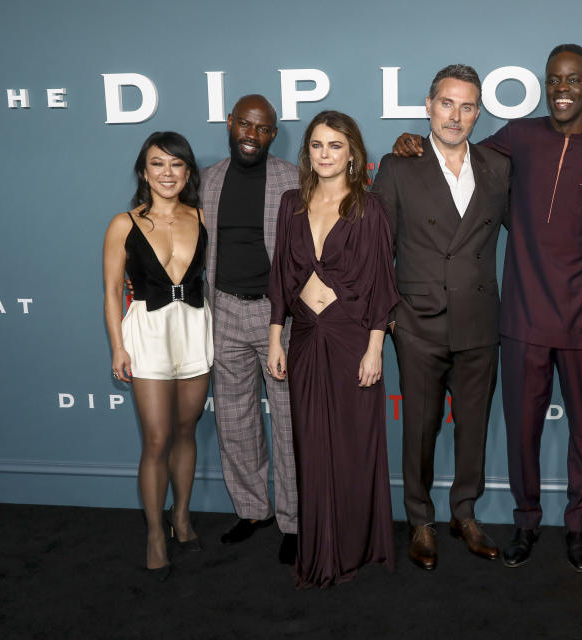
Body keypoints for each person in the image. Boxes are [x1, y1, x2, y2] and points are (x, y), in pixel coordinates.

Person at [392, 44, 582, 570]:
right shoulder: (516, 139)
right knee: (521, 429)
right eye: (554, 80)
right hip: (522, 316)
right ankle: (526, 522)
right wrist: (408, 142)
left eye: (574, 80)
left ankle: (577, 526)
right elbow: (451, 149)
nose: (563, 89)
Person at [373, 64, 510, 571]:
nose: (456, 115)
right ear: (429, 106)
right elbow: (376, 249)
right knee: (420, 429)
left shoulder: (498, 167)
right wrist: (389, 316)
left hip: (479, 320)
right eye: (447, 103)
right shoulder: (397, 166)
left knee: (472, 428)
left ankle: (465, 514)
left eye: (467, 105)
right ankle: (420, 520)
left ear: (479, 112)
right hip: (418, 321)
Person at [267, 110, 399, 588]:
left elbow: (383, 284)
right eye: (317, 146)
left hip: (351, 339)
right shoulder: (290, 204)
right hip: (303, 338)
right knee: (310, 444)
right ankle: (318, 544)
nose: (325, 154)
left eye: (335, 146)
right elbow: (280, 277)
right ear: (308, 153)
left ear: (352, 154)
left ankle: (356, 546)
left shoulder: (370, 207)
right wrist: (275, 339)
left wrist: (375, 348)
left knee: (353, 445)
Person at [103, 131, 212, 581]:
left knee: (187, 430)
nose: (167, 173)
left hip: (194, 330)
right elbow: (111, 291)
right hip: (146, 332)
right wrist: (118, 346)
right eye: (157, 164)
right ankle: (153, 532)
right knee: (156, 439)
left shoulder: (204, 217)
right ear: (143, 171)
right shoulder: (123, 224)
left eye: (176, 164)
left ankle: (181, 515)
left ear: (188, 172)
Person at [203, 95, 298, 557]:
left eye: (262, 129)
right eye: (245, 124)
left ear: (273, 135)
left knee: (289, 419)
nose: (251, 135)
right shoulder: (208, 180)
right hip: (223, 308)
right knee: (235, 418)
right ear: (230, 123)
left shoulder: (293, 178)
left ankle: (295, 522)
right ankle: (251, 509)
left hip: (278, 314)